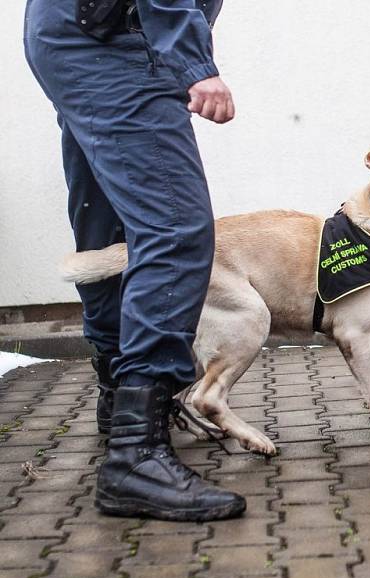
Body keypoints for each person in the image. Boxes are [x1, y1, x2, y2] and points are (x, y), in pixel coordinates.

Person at [23, 0, 246, 521]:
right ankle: (136, 455)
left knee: (108, 228)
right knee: (174, 229)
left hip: (80, 35)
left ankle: (118, 405)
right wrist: (195, 66)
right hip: (111, 39)